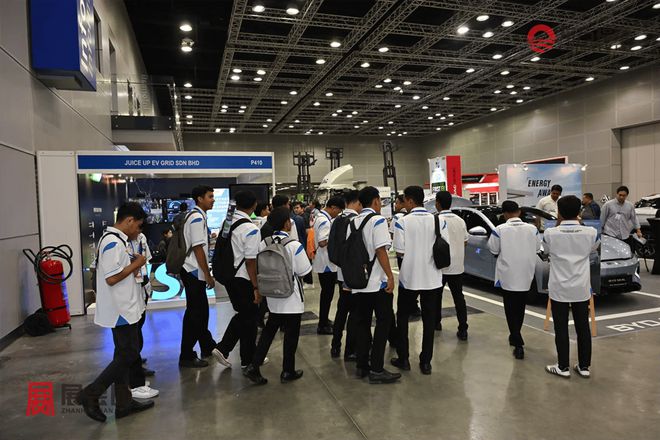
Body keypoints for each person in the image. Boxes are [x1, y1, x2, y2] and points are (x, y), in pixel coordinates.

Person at [76, 202, 154, 422]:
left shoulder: (119, 241)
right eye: (137, 225)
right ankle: (91, 393)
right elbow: (112, 278)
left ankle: (123, 403)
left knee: (123, 355)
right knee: (128, 354)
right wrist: (137, 263)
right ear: (129, 220)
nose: (138, 230)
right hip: (120, 309)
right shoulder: (113, 242)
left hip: (126, 306)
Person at [243, 207, 313, 385]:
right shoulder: (293, 245)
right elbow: (304, 270)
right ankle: (287, 370)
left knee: (268, 332)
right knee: (291, 335)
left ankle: (254, 365)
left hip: (272, 295)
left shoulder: (264, 243)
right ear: (286, 223)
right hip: (291, 297)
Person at [391, 186, 448, 375]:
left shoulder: (403, 221)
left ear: (409, 200)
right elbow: (444, 245)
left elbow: (400, 251)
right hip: (433, 278)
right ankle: (426, 362)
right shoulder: (438, 220)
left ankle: (404, 359)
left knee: (402, 317)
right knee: (429, 320)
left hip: (410, 278)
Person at [348, 186, 401, 384]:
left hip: (358, 282)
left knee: (362, 323)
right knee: (383, 323)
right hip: (376, 283)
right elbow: (381, 251)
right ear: (376, 201)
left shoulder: (352, 222)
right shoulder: (377, 220)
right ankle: (377, 369)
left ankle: (362, 366)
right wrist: (390, 276)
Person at [543, 195, 599, 378]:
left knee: (561, 327)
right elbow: (593, 249)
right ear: (579, 211)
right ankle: (584, 367)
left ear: (559, 212)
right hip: (581, 287)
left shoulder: (550, 233)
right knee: (583, 327)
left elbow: (546, 252)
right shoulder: (591, 232)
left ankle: (563, 367)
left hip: (559, 287)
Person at [213, 190, 262, 369]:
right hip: (243, 279)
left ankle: (245, 357)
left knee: (246, 316)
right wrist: (256, 287)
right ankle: (229, 350)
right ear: (254, 205)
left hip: (229, 276)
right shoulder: (251, 229)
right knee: (248, 316)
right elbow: (250, 261)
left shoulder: (227, 222)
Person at [487, 200, 541, 360]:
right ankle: (515, 335)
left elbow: (493, 250)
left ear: (504, 214)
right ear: (518, 212)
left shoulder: (499, 230)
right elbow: (537, 248)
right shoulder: (533, 229)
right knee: (520, 307)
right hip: (526, 273)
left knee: (510, 308)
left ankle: (518, 342)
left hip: (508, 274)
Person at [178, 186, 217, 368]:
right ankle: (186, 355)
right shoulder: (196, 218)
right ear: (200, 199)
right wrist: (208, 274)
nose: (213, 199)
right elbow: (197, 248)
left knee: (201, 311)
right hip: (193, 271)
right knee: (195, 314)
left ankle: (207, 345)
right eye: (210, 196)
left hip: (194, 271)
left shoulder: (198, 216)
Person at [434, 191, 470, 339]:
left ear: (437, 203)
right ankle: (463, 328)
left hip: (440, 266)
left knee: (436, 296)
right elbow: (465, 241)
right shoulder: (460, 220)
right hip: (457, 266)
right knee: (459, 297)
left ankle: (436, 323)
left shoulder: (436, 220)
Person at [330, 190, 361, 361]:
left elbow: (332, 248)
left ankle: (335, 346)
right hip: (354, 275)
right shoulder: (355, 221)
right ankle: (350, 350)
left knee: (341, 310)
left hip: (341, 274)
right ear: (357, 202)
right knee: (355, 313)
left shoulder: (336, 220)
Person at [128, 229, 158, 399]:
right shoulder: (117, 242)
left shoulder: (141, 238)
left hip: (142, 286)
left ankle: (136, 364)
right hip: (129, 291)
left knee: (139, 325)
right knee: (131, 334)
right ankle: (132, 376)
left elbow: (146, 261)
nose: (139, 229)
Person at [312, 196, 345, 334]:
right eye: (339, 211)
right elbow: (322, 242)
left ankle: (324, 320)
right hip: (327, 263)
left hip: (323, 261)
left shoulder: (320, 218)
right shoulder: (325, 221)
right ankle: (322, 324)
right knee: (327, 294)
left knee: (326, 294)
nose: (338, 214)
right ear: (333, 207)